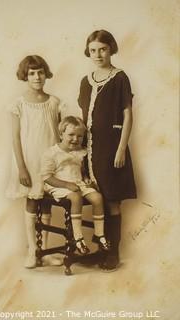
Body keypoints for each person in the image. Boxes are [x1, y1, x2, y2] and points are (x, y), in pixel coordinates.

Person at [78, 30, 137, 270]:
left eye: (102, 49)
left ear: (111, 49)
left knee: (112, 200)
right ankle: (100, 250)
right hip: (90, 149)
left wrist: (121, 148)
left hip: (112, 148)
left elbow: (127, 113)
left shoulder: (120, 78)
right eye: (93, 50)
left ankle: (113, 253)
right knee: (96, 199)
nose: (98, 54)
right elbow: (84, 117)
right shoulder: (85, 80)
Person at [6, 55, 64, 268]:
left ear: (45, 73)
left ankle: (45, 251)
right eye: (32, 73)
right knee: (32, 201)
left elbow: (58, 136)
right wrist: (21, 167)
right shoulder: (18, 104)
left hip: (49, 162)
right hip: (29, 162)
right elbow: (15, 138)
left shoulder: (54, 102)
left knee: (47, 203)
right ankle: (32, 250)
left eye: (40, 72)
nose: (37, 77)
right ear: (25, 76)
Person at [40, 116, 109, 255]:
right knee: (76, 197)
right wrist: (66, 184)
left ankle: (99, 234)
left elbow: (82, 171)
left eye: (79, 136)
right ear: (61, 134)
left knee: (97, 198)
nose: (75, 139)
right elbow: (47, 177)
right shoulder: (52, 153)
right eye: (71, 135)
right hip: (59, 184)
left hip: (78, 183)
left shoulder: (81, 152)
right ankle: (78, 238)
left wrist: (86, 179)